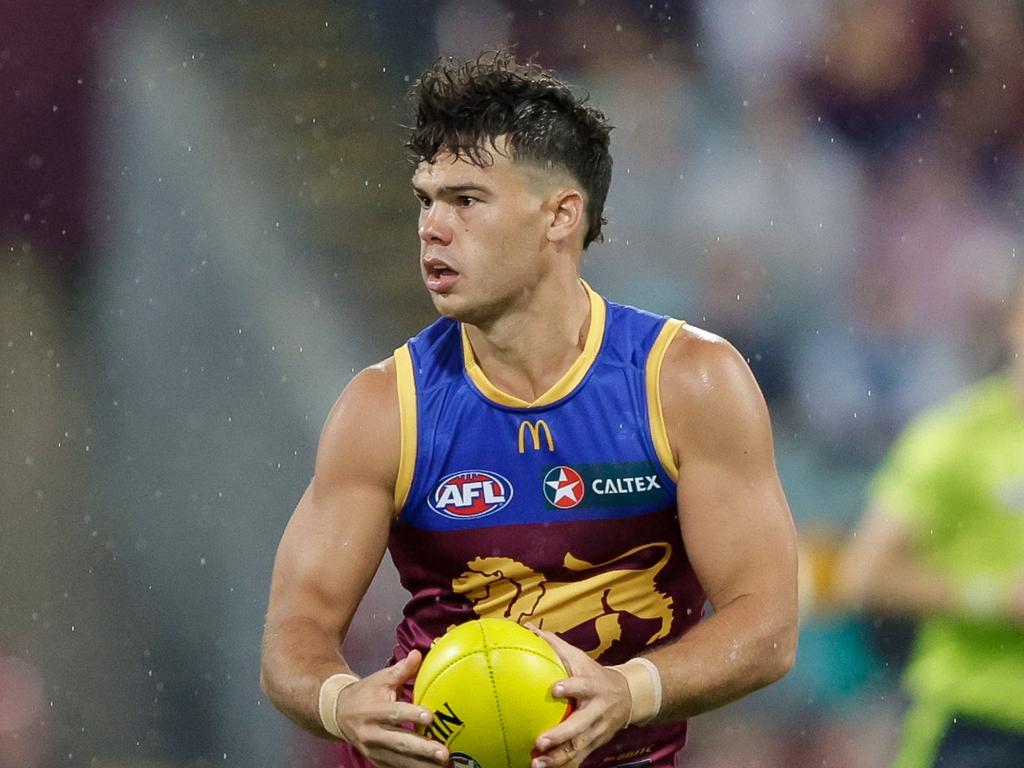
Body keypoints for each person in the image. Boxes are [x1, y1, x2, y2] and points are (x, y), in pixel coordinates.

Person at [260, 50, 798, 768]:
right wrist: (339, 701)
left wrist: (629, 691)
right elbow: (294, 631)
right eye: (426, 200)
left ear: (560, 215)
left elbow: (767, 624)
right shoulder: (385, 406)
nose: (430, 227)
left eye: (466, 200)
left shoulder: (688, 383)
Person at [837, 285, 1024, 768]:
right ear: (1015, 320)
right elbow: (863, 575)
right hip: (977, 719)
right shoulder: (955, 439)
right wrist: (994, 597)